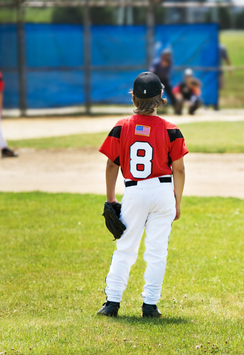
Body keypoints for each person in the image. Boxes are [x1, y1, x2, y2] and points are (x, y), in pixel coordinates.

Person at [97, 72, 187, 318]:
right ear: (161, 98)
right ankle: (150, 305)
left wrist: (111, 199)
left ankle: (112, 303)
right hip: (162, 191)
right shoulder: (172, 130)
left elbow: (111, 165)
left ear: (134, 99)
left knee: (125, 249)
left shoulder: (121, 126)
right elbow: (179, 169)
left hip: (134, 191)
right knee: (157, 252)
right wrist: (177, 202)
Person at [215, 43, 232, 110]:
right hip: (209, 72)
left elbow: (226, 58)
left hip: (219, 71)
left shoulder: (222, 47)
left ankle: (215, 104)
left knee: (218, 88)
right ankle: (207, 104)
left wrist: (229, 69)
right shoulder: (208, 46)